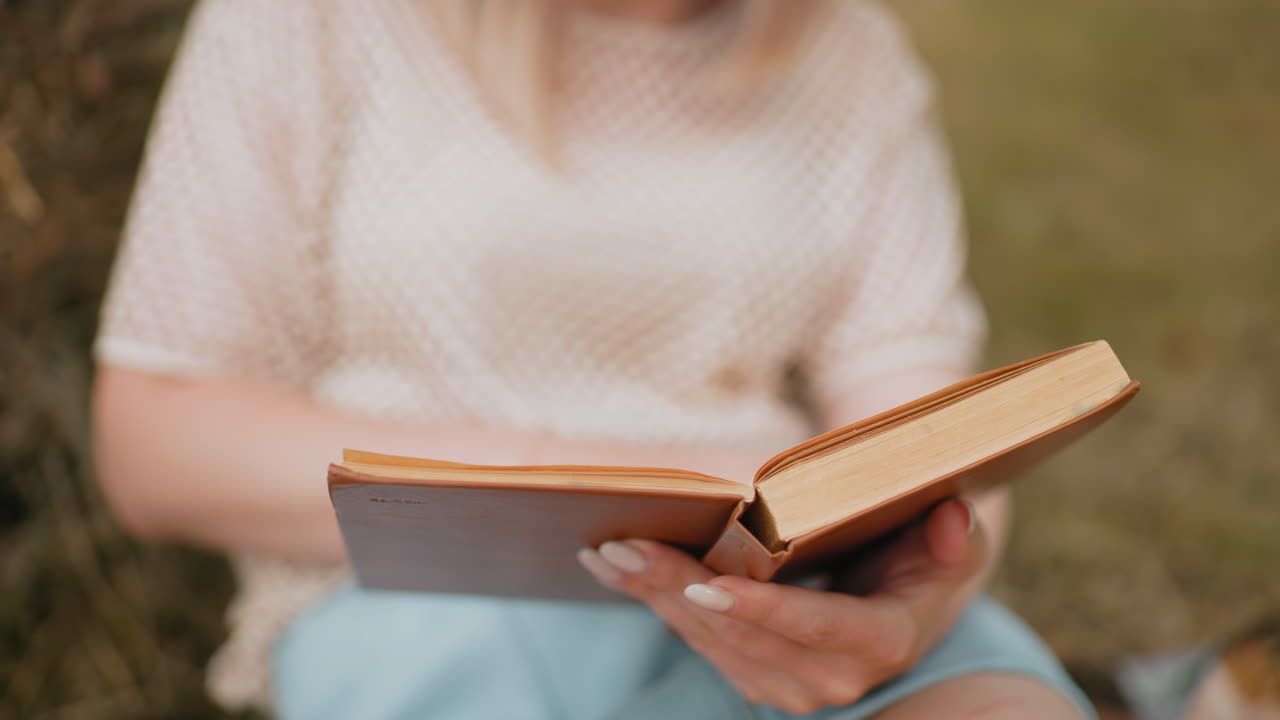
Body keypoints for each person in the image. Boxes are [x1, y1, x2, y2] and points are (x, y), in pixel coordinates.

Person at [92, 0, 1095, 717]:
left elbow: (925, 425)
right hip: (439, 614)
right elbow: (158, 437)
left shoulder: (850, 54)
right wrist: (587, 492)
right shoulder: (308, 22)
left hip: (791, 610)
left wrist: (914, 611)